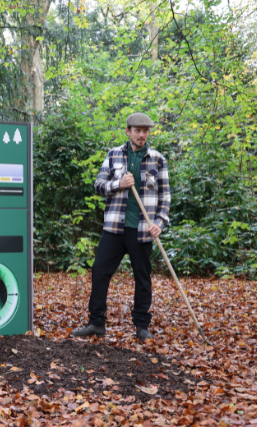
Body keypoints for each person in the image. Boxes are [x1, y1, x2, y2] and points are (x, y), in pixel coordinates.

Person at [71, 113, 170, 341]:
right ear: (128, 131)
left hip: (142, 230)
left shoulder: (157, 159)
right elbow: (99, 184)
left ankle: (141, 326)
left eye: (145, 131)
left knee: (142, 277)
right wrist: (119, 184)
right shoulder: (114, 154)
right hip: (114, 228)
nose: (142, 135)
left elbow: (165, 196)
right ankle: (96, 323)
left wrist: (159, 223)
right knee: (99, 271)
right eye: (137, 130)